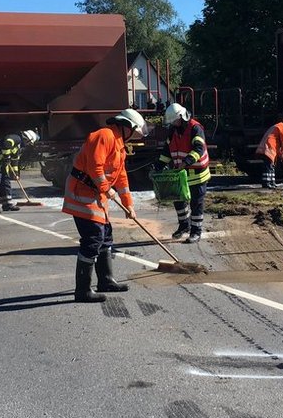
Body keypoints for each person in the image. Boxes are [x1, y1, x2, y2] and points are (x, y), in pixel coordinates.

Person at [61, 108, 144, 303]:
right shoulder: (104, 136)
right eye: (134, 131)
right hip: (81, 194)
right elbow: (94, 167)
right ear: (127, 127)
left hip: (96, 195)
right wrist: (107, 188)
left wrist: (129, 205)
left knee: (105, 235)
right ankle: (82, 291)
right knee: (93, 238)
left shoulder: (119, 145)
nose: (133, 136)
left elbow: (122, 178)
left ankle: (105, 281)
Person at [157, 102, 210, 243]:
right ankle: (184, 226)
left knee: (196, 203)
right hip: (180, 174)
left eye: (174, 121)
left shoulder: (195, 128)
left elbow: (199, 148)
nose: (173, 124)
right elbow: (167, 151)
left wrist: (186, 162)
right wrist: (159, 165)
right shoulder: (173, 130)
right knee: (178, 201)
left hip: (197, 173)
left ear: (181, 117)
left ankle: (196, 231)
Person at [0, 129, 40, 213]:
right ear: (28, 139)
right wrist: (6, 157)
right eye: (29, 143)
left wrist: (16, 173)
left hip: (3, 164)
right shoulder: (16, 138)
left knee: (6, 183)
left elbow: (15, 160)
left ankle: (7, 204)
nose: (28, 145)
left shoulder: (19, 146)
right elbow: (6, 143)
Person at [256, 117, 283, 189]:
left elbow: (278, 147)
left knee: (269, 166)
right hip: (269, 148)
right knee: (270, 167)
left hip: (265, 147)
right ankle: (268, 183)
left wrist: (281, 155)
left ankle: (271, 182)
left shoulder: (276, 128)